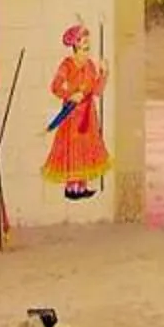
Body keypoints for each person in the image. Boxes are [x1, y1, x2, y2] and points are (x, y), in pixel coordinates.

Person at [43, 23, 111, 200]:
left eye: (88, 46)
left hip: (89, 115)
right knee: (73, 148)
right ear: (75, 46)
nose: (86, 49)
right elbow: (55, 87)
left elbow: (97, 91)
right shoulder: (66, 65)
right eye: (83, 46)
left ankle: (81, 187)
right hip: (72, 115)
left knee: (85, 149)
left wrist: (104, 74)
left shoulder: (90, 65)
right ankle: (71, 186)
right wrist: (71, 95)